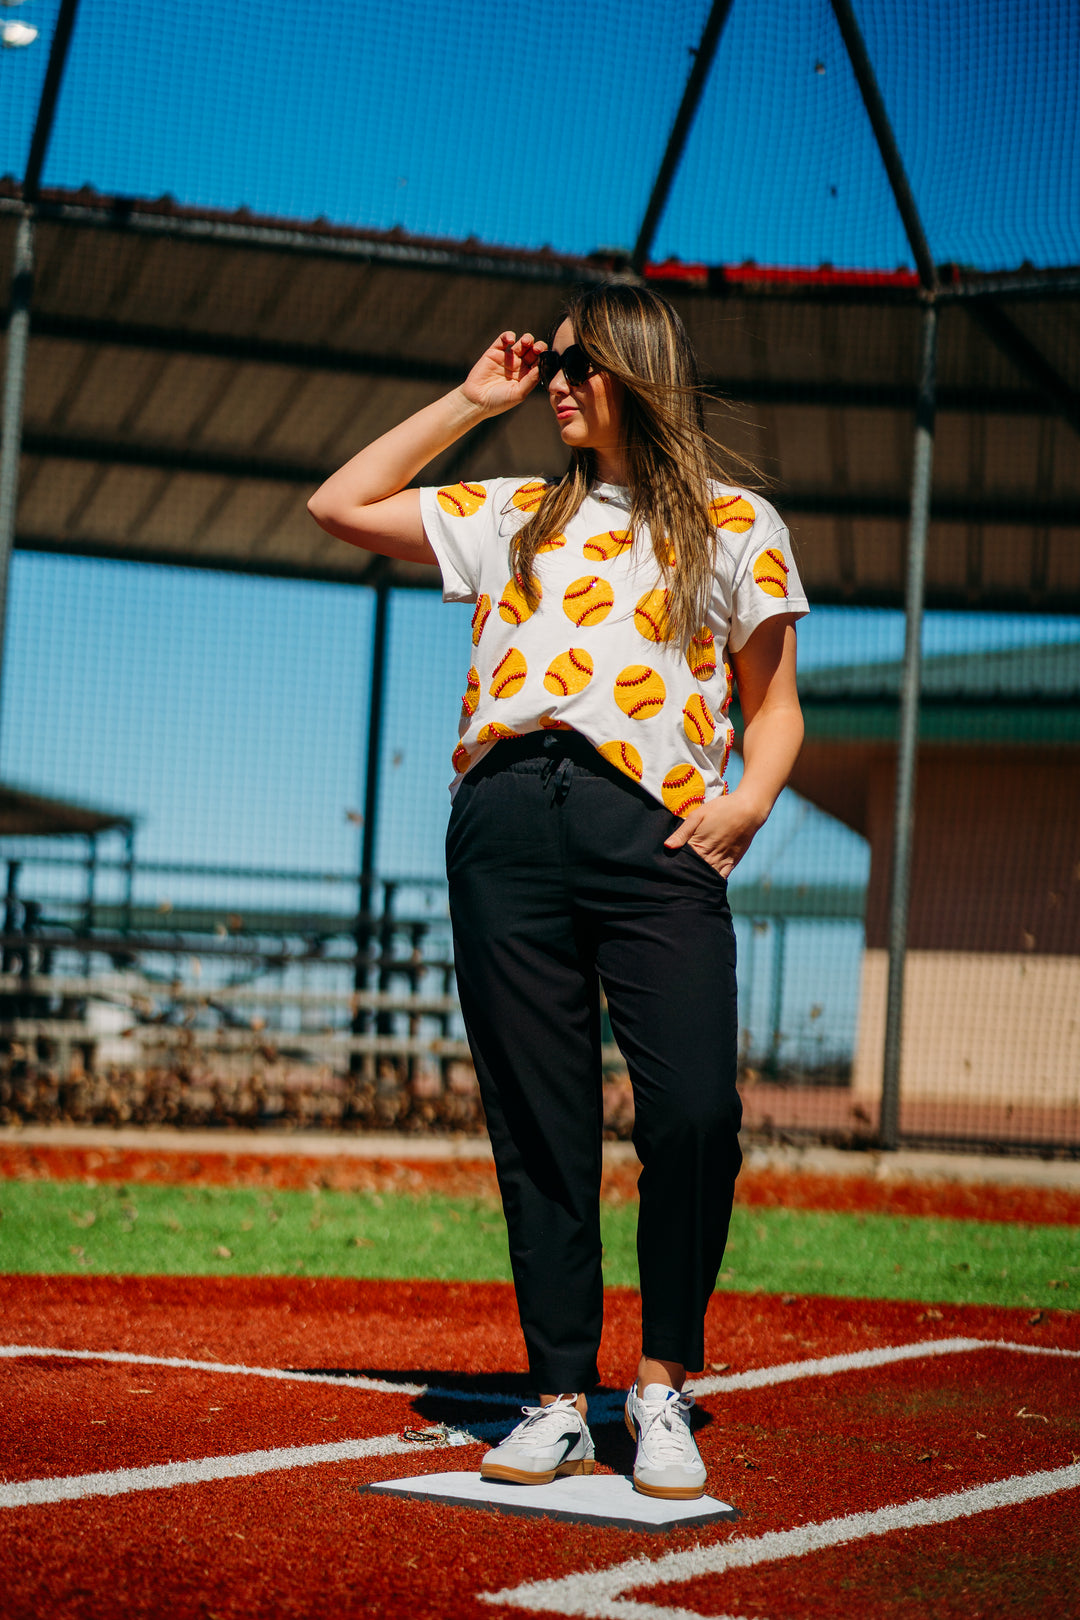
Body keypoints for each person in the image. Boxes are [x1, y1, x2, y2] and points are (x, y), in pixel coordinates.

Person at [308, 283, 807, 1501]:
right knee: (541, 1126)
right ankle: (558, 1397)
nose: (556, 382)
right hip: (502, 832)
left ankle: (662, 1385)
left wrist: (746, 804)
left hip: (657, 843)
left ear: (637, 371)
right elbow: (341, 503)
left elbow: (778, 708)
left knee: (693, 1112)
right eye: (553, 368)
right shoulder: (516, 511)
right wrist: (471, 402)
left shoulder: (738, 524)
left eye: (579, 364)